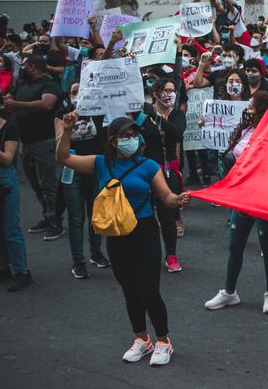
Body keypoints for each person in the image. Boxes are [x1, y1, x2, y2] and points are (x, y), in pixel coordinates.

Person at [55, 113, 191, 365]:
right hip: (117, 236)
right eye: (127, 136)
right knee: (130, 290)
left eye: (135, 135)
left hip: (145, 233)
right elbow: (63, 157)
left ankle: (164, 341)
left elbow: (166, 196)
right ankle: (142, 339)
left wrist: (178, 199)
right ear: (114, 141)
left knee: (149, 290)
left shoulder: (149, 165)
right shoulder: (100, 163)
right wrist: (67, 129)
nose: (133, 139)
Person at [204, 91, 268, 314]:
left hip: (265, 199)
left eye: (251, 105)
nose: (247, 109)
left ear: (262, 109)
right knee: (235, 246)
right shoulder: (245, 129)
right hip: (241, 197)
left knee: (267, 246)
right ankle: (229, 292)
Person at [57, 82, 110, 279]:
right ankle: (78, 261)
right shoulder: (62, 113)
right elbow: (59, 147)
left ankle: (96, 254)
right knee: (76, 217)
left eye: (81, 92)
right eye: (73, 93)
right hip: (72, 169)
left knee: (96, 214)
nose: (77, 96)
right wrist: (68, 128)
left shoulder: (99, 111)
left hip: (95, 168)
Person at [8, 54, 64, 239]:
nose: (21, 67)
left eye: (23, 64)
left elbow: (46, 104)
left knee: (48, 183)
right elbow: (10, 100)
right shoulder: (22, 84)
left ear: (32, 66)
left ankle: (56, 220)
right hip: (26, 141)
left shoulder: (49, 84)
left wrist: (16, 103)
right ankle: (46, 215)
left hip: (44, 141)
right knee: (35, 182)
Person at [137, 78, 186, 273]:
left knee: (167, 216)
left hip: (168, 172)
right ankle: (147, 253)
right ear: (155, 93)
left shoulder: (176, 114)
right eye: (166, 90)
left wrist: (157, 118)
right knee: (145, 215)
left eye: (173, 90)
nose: (170, 94)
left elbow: (176, 134)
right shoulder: (142, 115)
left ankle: (171, 255)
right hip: (146, 172)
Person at [0, 89, 32, 292]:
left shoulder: (8, 129)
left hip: (5, 180)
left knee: (10, 228)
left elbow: (8, 159)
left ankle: (22, 271)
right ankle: (3, 266)